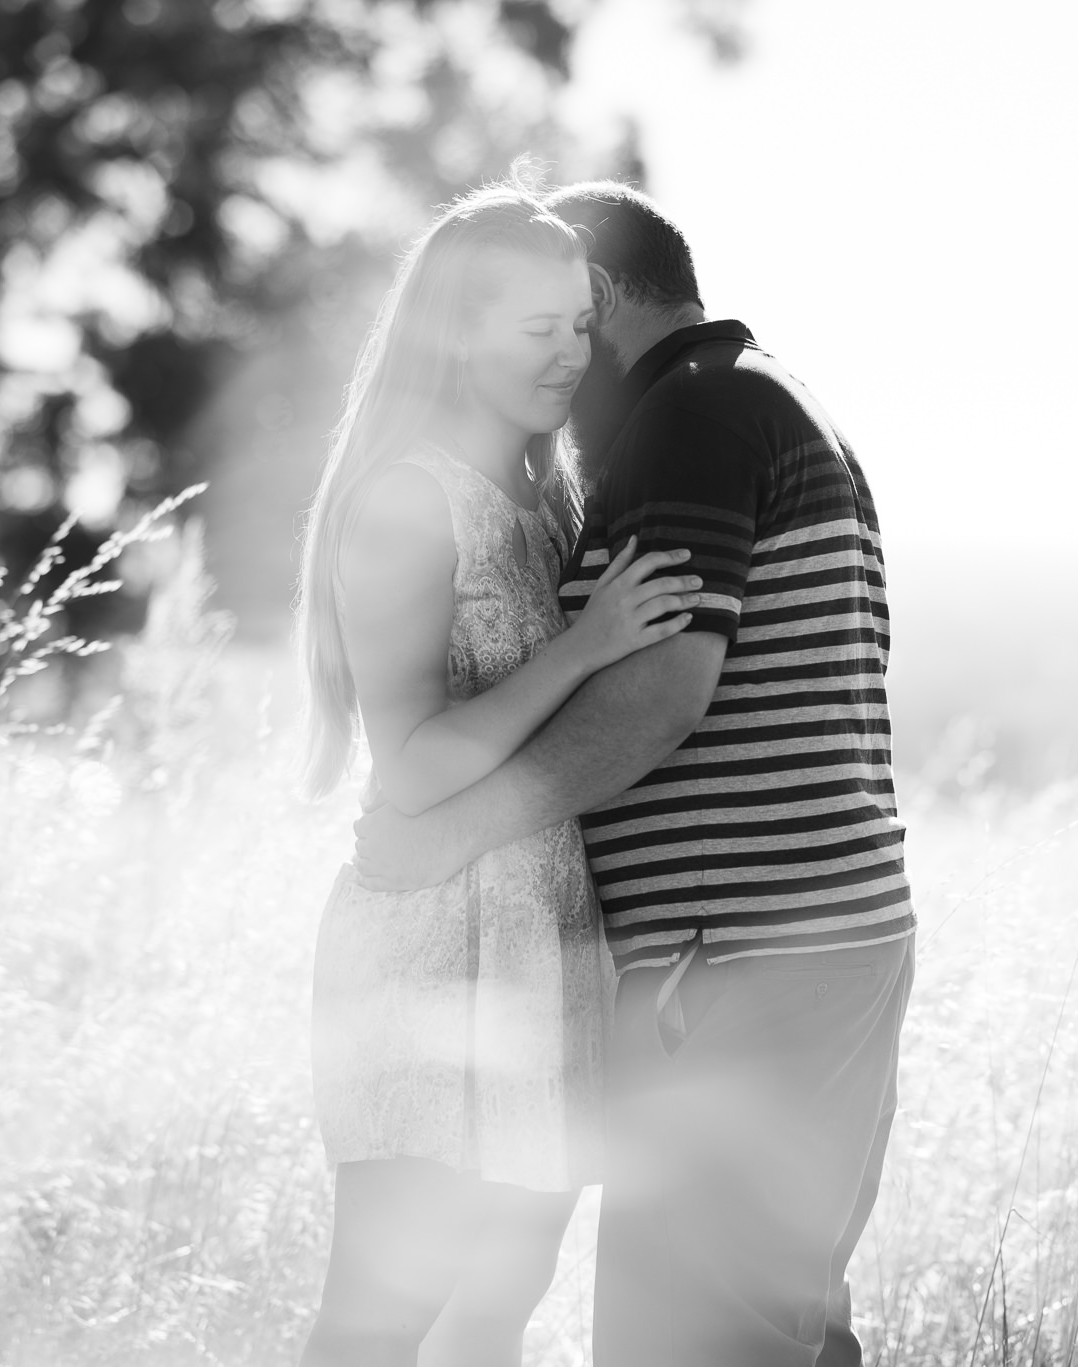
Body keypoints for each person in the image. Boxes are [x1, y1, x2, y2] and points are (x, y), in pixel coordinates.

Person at [354, 181, 916, 1367]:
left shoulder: (690, 418)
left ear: (594, 296)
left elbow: (661, 693)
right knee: (779, 1320)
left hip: (741, 952)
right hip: (826, 936)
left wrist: (450, 835)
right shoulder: (767, 395)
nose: (560, 369)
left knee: (692, 1336)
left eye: (563, 323)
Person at [295, 183, 703, 1365]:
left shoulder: (544, 500)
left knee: (499, 1305)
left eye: (580, 324)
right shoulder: (406, 501)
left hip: (546, 942)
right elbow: (414, 764)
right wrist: (587, 646)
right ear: (452, 334)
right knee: (380, 1318)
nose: (572, 355)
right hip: (426, 947)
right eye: (538, 330)